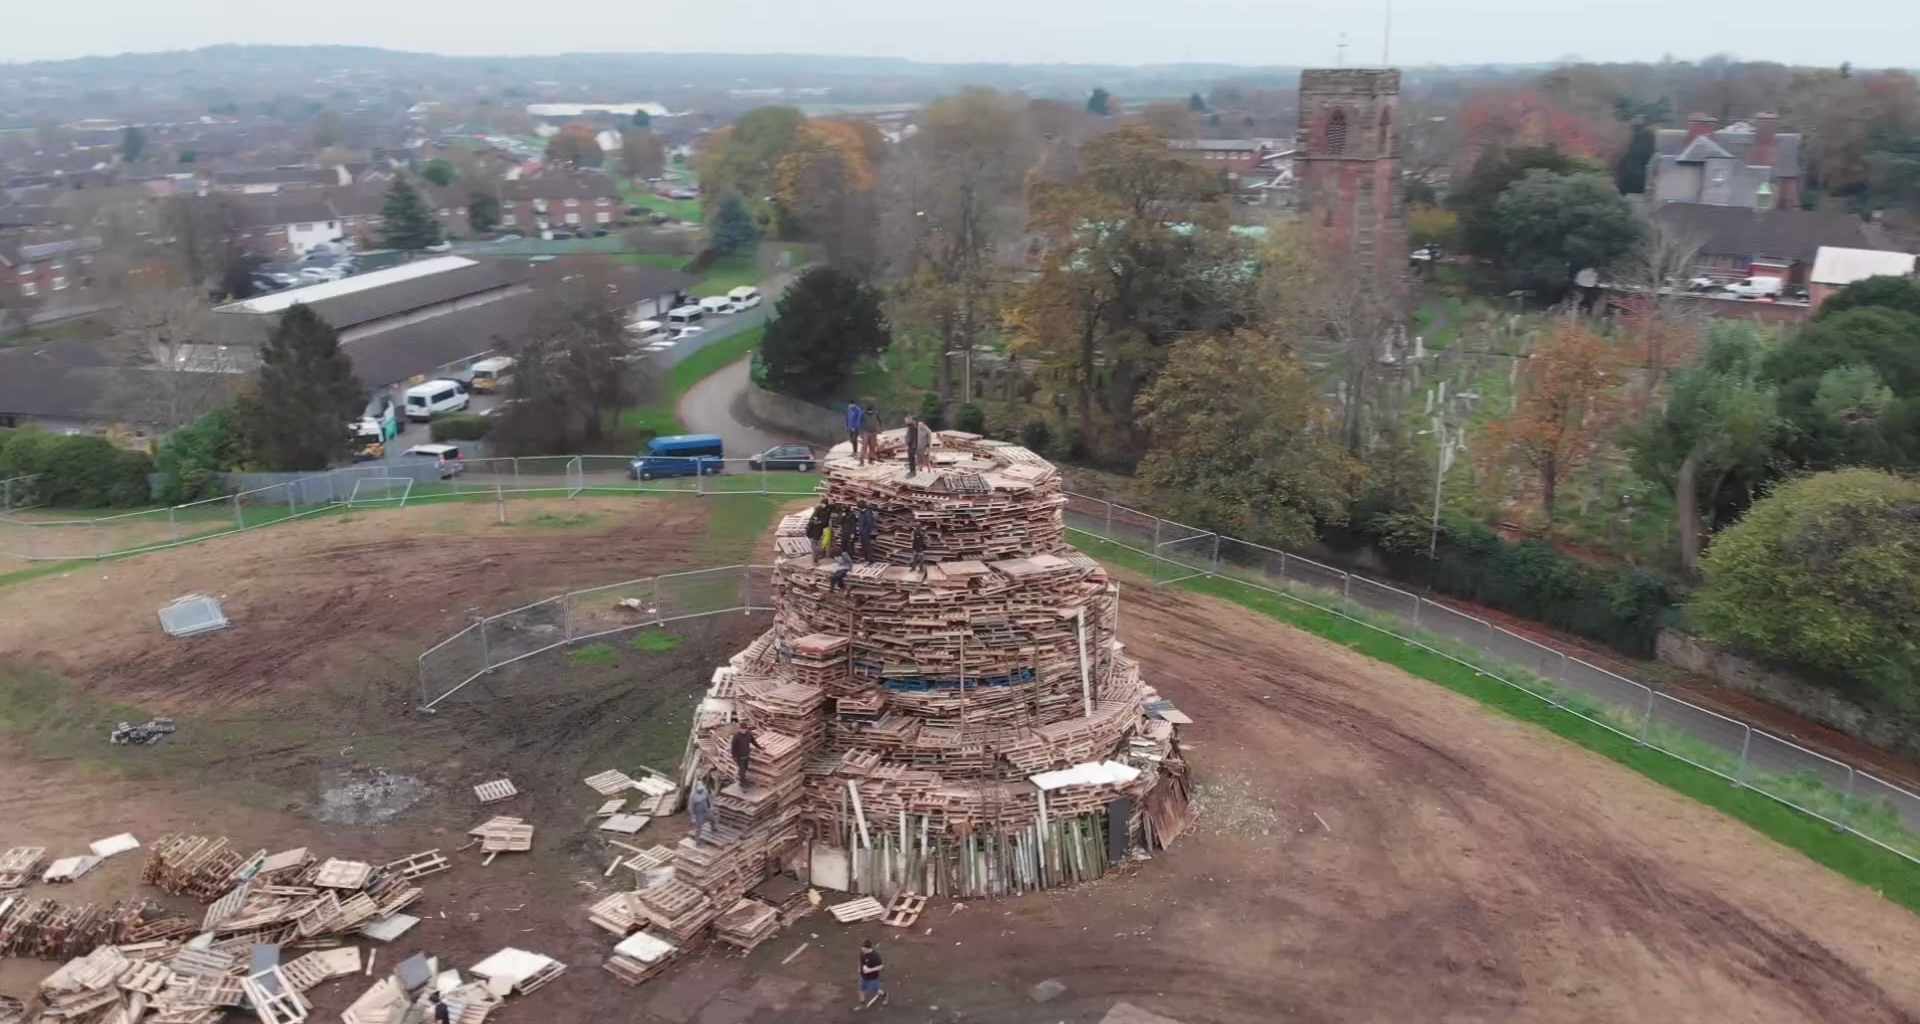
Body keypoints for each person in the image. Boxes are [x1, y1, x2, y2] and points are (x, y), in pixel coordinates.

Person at [855, 939, 888, 1010]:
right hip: (863, 976)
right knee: (861, 989)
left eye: (863, 949)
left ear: (868, 948)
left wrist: (870, 970)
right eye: (862, 948)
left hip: (873, 978)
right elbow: (860, 961)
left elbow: (881, 966)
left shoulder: (875, 956)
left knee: (875, 990)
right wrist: (859, 969)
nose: (862, 950)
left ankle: (884, 995)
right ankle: (862, 1004)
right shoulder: (862, 952)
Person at [730, 725, 762, 791]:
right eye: (742, 729)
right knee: (742, 770)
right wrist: (734, 756)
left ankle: (743, 779)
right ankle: (742, 783)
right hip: (739, 756)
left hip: (746, 755)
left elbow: (753, 741)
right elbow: (733, 747)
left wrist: (759, 747)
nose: (743, 731)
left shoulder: (749, 734)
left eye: (745, 729)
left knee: (746, 767)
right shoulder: (736, 736)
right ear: (739, 729)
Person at [689, 774, 713, 841]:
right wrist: (693, 817)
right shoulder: (693, 796)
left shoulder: (704, 790)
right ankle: (697, 840)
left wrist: (711, 806)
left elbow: (709, 798)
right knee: (699, 827)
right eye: (699, 790)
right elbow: (691, 807)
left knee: (712, 819)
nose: (700, 791)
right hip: (699, 813)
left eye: (701, 789)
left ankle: (713, 828)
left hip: (706, 810)